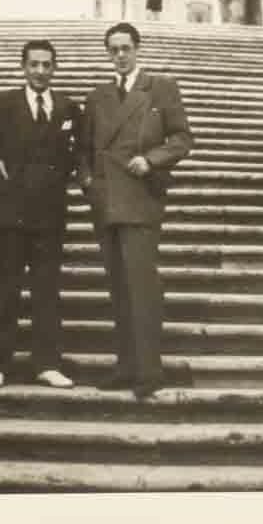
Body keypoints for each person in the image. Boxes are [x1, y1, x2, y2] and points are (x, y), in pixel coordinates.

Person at [0, 39, 81, 390]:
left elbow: (83, 146)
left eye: (47, 64)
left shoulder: (68, 107)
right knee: (7, 289)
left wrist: (64, 172)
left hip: (50, 214)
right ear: (23, 67)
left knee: (47, 291)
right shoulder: (2, 102)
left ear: (54, 68)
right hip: (11, 212)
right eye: (34, 64)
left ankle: (47, 363)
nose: (40, 71)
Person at [79, 21, 192, 400]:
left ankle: (150, 371)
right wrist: (87, 182)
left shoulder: (160, 87)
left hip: (141, 199)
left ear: (138, 48)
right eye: (113, 49)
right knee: (118, 288)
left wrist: (153, 159)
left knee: (142, 287)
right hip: (107, 201)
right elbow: (84, 145)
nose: (120, 55)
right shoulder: (97, 96)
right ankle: (126, 367)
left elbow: (181, 139)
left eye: (126, 47)